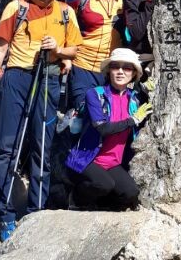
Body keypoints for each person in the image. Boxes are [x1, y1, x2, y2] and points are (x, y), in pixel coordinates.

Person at [0, 0, 83, 242]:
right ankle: (5, 214)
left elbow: (75, 49)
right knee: (7, 148)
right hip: (17, 77)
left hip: (49, 77)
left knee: (42, 146)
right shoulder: (17, 7)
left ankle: (36, 210)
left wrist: (58, 51)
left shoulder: (66, 12)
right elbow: (0, 49)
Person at [64, 48, 150, 211]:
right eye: (115, 66)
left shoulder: (134, 98)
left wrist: (150, 91)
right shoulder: (95, 95)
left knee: (130, 193)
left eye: (127, 68)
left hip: (112, 162)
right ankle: (76, 198)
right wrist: (132, 120)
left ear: (134, 73)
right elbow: (102, 128)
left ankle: (99, 204)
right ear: (109, 70)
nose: (120, 71)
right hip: (87, 159)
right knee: (103, 184)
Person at [67, 0, 125, 109]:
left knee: (110, 115)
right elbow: (63, 24)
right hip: (83, 66)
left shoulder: (126, 1)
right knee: (85, 112)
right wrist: (65, 57)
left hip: (114, 69)